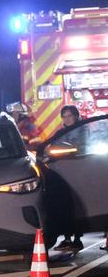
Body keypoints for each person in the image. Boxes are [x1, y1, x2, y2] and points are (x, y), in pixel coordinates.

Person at [52, 104, 84, 252]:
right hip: (64, 172)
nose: (67, 119)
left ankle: (77, 239)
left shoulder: (83, 130)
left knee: (78, 205)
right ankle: (67, 238)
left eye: (69, 115)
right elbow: (52, 148)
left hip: (81, 172)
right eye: (64, 116)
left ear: (76, 116)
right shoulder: (60, 133)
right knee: (65, 205)